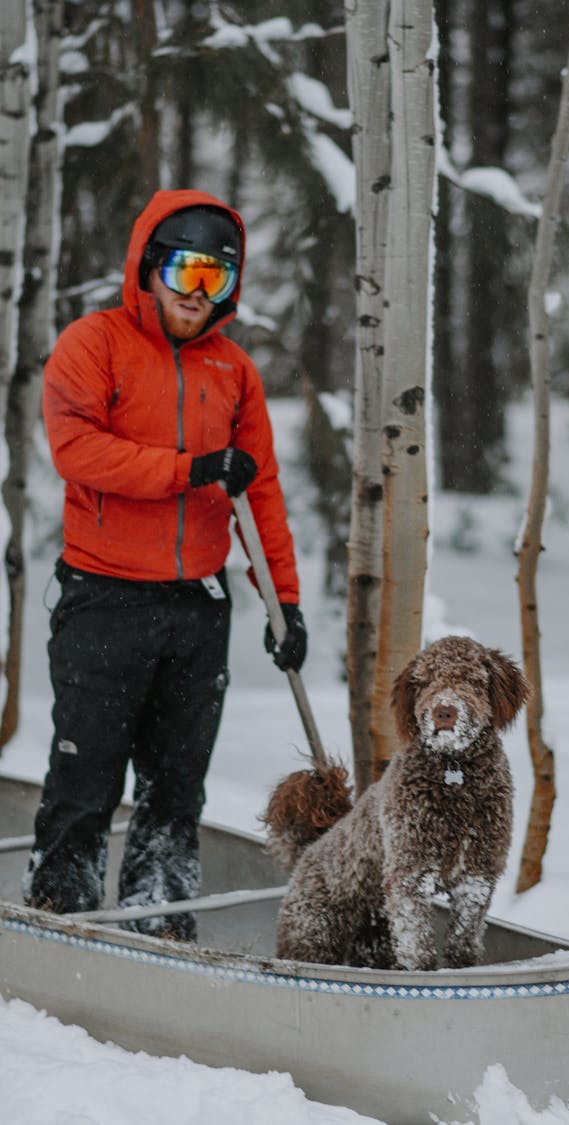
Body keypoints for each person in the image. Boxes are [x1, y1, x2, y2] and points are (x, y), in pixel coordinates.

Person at [23, 188, 307, 940]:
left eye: (216, 278)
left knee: (176, 786)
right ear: (150, 268)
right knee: (86, 778)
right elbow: (77, 451)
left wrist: (285, 603)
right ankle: (61, 914)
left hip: (194, 609)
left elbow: (261, 491)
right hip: (102, 600)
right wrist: (190, 467)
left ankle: (160, 922)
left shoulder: (234, 371)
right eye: (184, 272)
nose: (196, 295)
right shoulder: (95, 344)